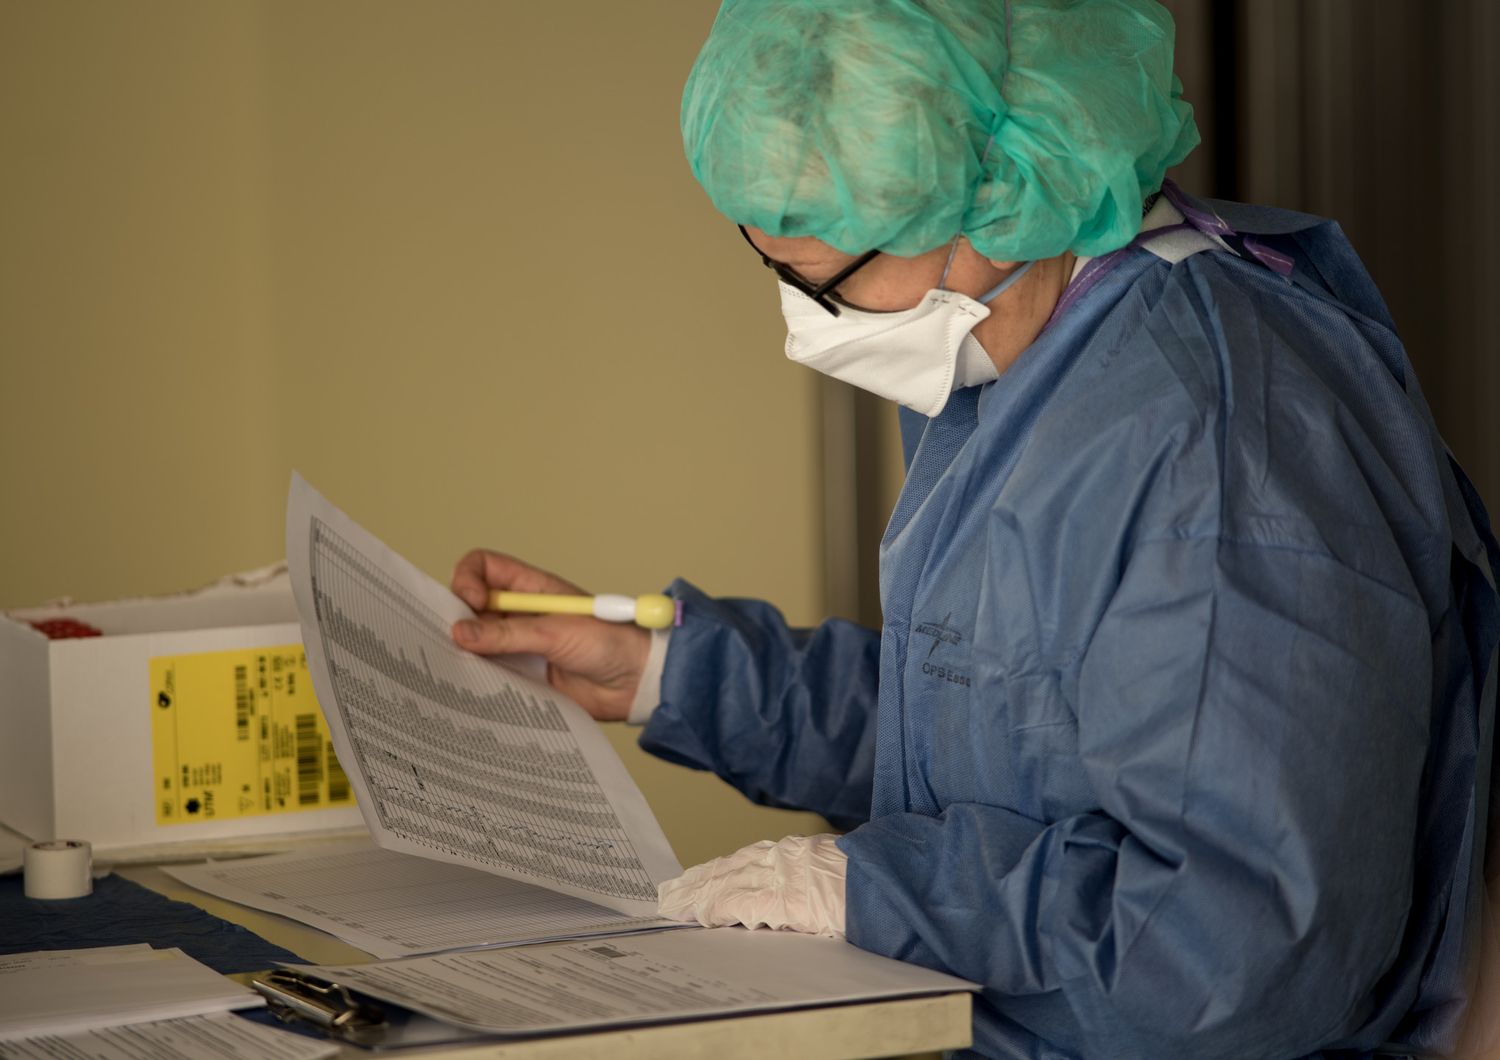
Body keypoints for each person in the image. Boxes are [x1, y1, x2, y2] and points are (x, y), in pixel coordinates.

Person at [449, 0, 1500, 1055]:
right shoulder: (1031, 351)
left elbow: (1233, 950)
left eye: (830, 283)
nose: (807, 320)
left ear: (1002, 193)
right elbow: (989, 727)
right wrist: (672, 671)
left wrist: (882, 891)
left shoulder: (1214, 452)